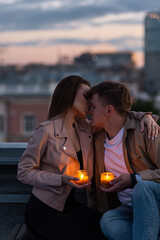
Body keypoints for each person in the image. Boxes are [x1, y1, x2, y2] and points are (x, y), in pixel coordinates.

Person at [17, 75, 158, 240]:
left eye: (93, 101)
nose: (90, 103)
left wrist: (145, 116)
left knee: (105, 231)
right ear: (69, 95)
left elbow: (116, 114)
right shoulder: (45, 131)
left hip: (72, 206)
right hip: (45, 209)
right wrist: (60, 179)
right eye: (86, 96)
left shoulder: (85, 129)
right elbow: (23, 172)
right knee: (101, 230)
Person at [87, 80, 160, 240]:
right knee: (108, 221)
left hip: (155, 201)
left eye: (93, 106)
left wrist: (134, 179)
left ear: (108, 110)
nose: (89, 111)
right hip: (129, 208)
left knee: (142, 188)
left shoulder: (145, 131)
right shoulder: (97, 138)